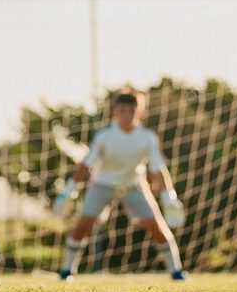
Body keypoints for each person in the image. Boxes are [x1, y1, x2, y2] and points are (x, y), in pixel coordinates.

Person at [59, 91, 188, 281]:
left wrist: (169, 196)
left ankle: (176, 271)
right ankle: (67, 270)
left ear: (140, 112)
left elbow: (158, 169)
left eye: (131, 110)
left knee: (156, 226)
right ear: (114, 112)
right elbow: (86, 165)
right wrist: (68, 190)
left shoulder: (147, 137)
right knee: (82, 224)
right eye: (122, 110)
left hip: (134, 185)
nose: (127, 115)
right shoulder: (104, 136)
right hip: (102, 184)